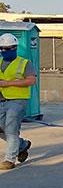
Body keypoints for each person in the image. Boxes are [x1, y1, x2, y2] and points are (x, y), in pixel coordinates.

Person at [0, 33, 35, 170]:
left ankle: (9, 159)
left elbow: (31, 80)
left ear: (14, 48)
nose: (3, 51)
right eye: (1, 49)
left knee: (11, 129)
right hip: (2, 100)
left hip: (18, 101)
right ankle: (22, 145)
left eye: (6, 49)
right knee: (1, 129)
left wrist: (7, 83)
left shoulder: (24, 63)